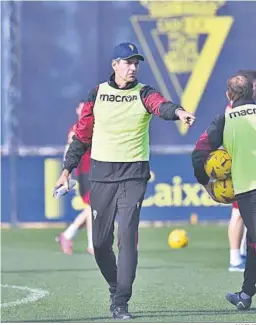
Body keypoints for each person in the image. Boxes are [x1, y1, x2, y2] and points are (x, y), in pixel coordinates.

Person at [55, 42, 195, 319]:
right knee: (100, 243)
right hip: (102, 174)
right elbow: (83, 135)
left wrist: (178, 112)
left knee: (127, 237)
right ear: (114, 65)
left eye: (136, 63)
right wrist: (67, 169)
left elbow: (161, 106)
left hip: (134, 174)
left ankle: (121, 301)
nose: (132, 67)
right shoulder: (97, 93)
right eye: (127, 62)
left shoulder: (144, 93)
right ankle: (114, 285)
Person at [192, 74, 256, 310]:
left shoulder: (225, 119)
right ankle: (246, 294)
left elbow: (199, 154)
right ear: (252, 93)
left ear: (228, 96)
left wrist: (206, 183)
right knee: (252, 242)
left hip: (249, 190)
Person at [227, 70, 256, 272]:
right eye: (254, 86)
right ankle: (235, 257)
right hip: (244, 172)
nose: (255, 89)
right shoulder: (233, 112)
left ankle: (243, 255)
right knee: (238, 213)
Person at [57, 101, 94, 255]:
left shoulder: (94, 126)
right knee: (93, 207)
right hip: (85, 173)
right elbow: (69, 150)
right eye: (82, 107)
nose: (85, 110)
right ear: (78, 110)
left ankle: (67, 235)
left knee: (96, 207)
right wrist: (67, 172)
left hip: (97, 170)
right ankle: (92, 244)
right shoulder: (76, 129)